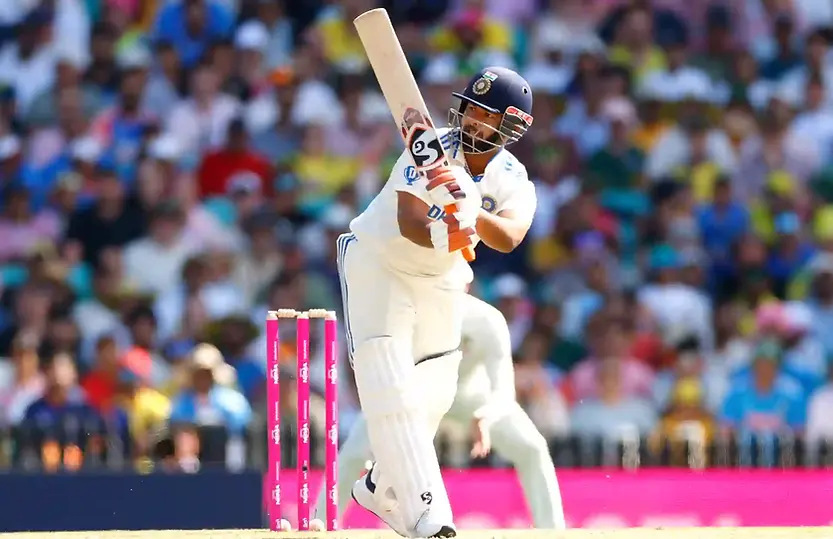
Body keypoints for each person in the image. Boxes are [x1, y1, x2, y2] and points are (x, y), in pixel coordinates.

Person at [335, 66, 536, 537]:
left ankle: (380, 484)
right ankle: (429, 515)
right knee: (388, 376)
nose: (470, 119)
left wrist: (471, 214)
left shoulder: (511, 175)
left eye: (484, 114)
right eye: (470, 108)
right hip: (379, 264)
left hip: (442, 278)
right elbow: (408, 220)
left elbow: (509, 237)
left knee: (437, 391)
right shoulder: (430, 147)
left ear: (509, 127)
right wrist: (444, 230)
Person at [312, 294, 566, 530]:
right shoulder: (408, 312)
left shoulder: (486, 319)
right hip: (418, 394)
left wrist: (486, 414)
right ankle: (318, 523)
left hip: (472, 397)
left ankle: (553, 531)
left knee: (532, 448)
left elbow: (503, 391)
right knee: (354, 452)